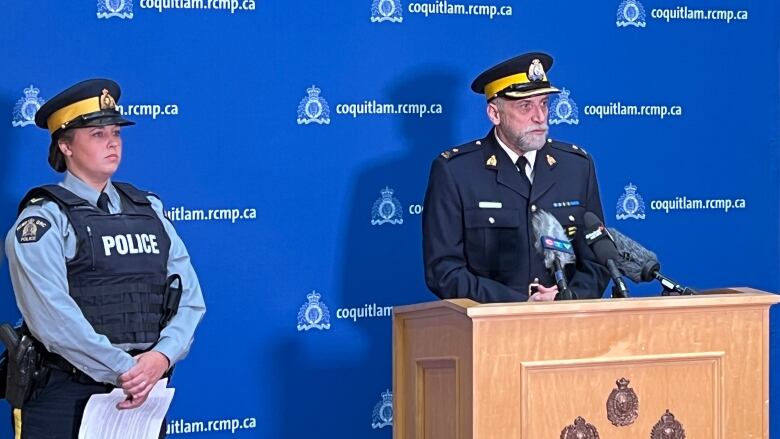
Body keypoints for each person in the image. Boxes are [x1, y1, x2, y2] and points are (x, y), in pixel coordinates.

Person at [4, 79, 206, 438]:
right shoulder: (44, 220)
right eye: (96, 134)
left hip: (144, 391)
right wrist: (126, 371)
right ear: (65, 145)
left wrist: (160, 359)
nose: (112, 141)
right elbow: (53, 319)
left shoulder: (149, 210)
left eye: (115, 132)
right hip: (67, 393)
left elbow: (189, 299)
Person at [422, 52, 610, 303]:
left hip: (566, 327)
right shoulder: (456, 171)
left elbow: (598, 261)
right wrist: (519, 304)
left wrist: (568, 296)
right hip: (490, 331)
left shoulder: (576, 167)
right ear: (494, 114)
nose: (540, 117)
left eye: (543, 103)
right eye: (525, 106)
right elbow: (443, 270)